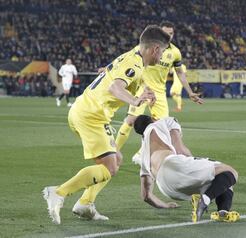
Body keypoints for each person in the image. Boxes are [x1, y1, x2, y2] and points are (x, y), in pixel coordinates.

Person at [42, 25, 171, 225]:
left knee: (116, 159)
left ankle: (86, 203)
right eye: (162, 51)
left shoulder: (131, 57)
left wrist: (144, 93)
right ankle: (58, 192)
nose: (162, 56)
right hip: (91, 115)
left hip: (85, 110)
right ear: (155, 49)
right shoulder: (134, 64)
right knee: (109, 167)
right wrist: (136, 101)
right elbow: (115, 87)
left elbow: (118, 77)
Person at [115, 21, 203, 152]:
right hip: (142, 88)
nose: (169, 35)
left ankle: (142, 154)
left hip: (160, 92)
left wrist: (189, 92)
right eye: (165, 33)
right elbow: (126, 57)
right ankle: (114, 151)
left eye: (171, 33)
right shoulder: (147, 46)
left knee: (161, 127)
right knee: (130, 121)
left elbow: (180, 73)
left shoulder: (175, 52)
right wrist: (108, 68)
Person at [133, 115, 240, 223]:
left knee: (217, 180)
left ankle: (222, 212)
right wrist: (193, 162)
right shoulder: (160, 122)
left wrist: (165, 205)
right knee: (229, 172)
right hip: (172, 166)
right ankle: (204, 200)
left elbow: (146, 196)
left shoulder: (143, 155)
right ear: (152, 118)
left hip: (166, 188)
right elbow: (181, 150)